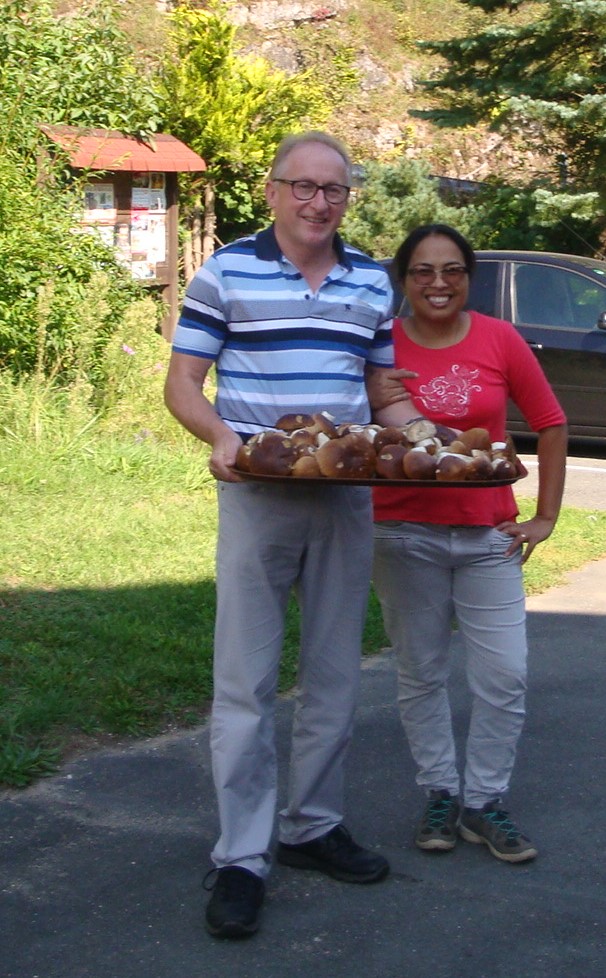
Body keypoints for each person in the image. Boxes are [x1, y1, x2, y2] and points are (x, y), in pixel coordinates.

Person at [164, 131, 419, 939]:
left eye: (333, 191)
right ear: (273, 192)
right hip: (260, 493)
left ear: (348, 199)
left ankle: (312, 825)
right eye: (302, 187)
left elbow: (384, 396)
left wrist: (432, 440)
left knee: (335, 671)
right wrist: (219, 437)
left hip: (346, 498)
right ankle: (241, 854)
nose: (317, 203)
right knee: (243, 680)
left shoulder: (372, 281)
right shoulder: (224, 273)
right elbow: (182, 384)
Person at [372, 224, 567, 864]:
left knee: (505, 674)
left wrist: (545, 518)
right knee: (420, 671)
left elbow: (551, 422)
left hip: (488, 534)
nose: (437, 283)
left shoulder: (498, 338)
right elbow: (348, 426)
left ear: (467, 277)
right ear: (404, 279)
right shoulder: (383, 344)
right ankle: (440, 792)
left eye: (451, 269)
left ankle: (484, 803)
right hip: (403, 531)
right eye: (423, 271)